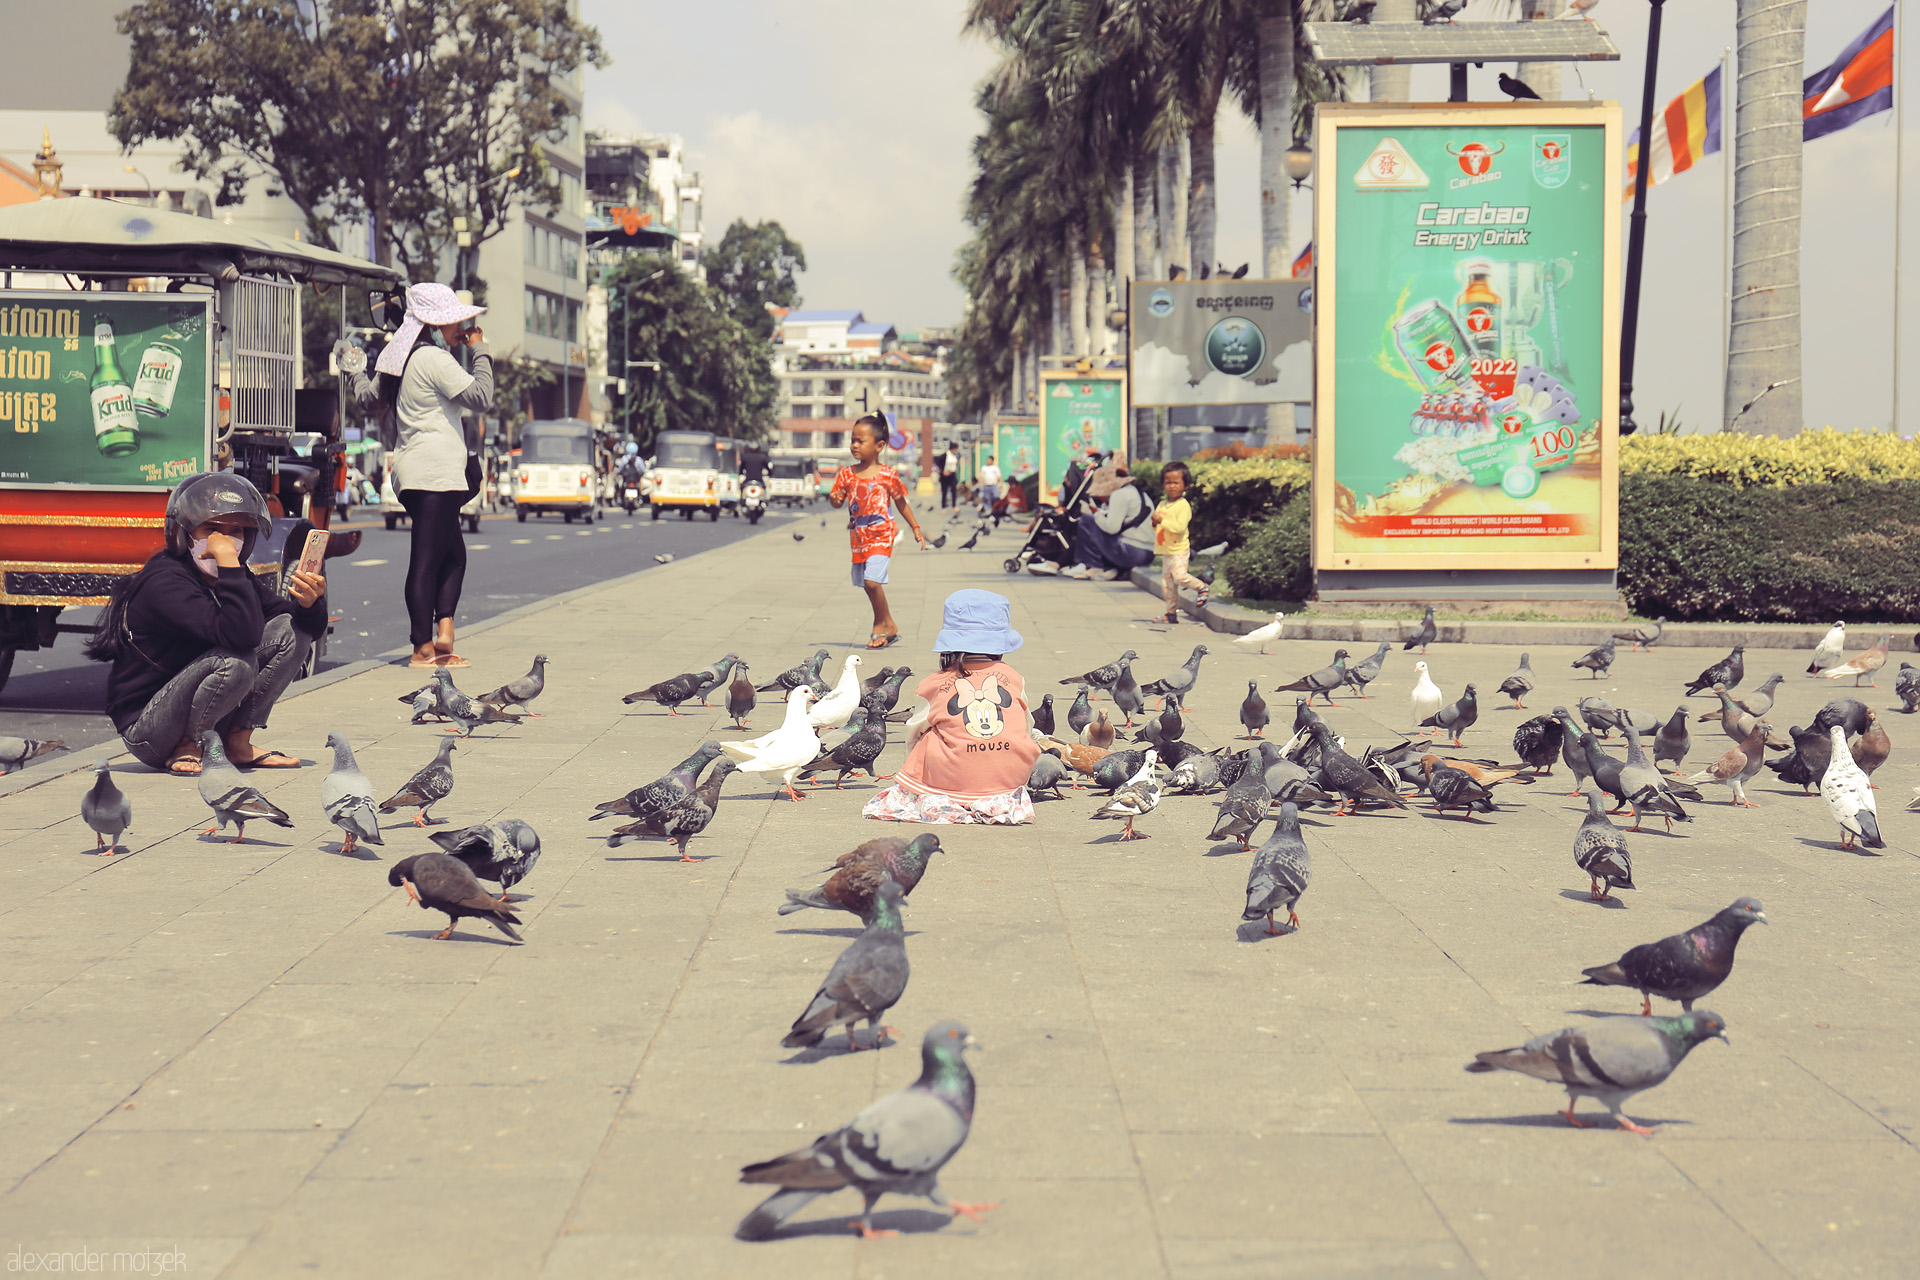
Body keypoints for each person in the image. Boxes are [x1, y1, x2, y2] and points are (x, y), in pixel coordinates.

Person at [87, 472, 326, 776]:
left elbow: (292, 624)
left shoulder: (233, 577)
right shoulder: (165, 583)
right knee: (235, 663)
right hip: (149, 730)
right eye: (212, 530)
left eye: (235, 531)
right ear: (184, 533)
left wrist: (309, 603)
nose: (224, 541)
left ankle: (238, 741)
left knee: (292, 630)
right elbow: (241, 637)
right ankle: (191, 743)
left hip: (203, 706)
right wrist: (228, 562)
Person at [346, 282, 491, 668]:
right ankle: (423, 648)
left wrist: (354, 372)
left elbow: (367, 399)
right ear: (434, 322)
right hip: (437, 472)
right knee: (430, 557)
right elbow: (481, 397)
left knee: (450, 552)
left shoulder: (398, 357)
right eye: (453, 320)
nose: (459, 325)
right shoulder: (434, 360)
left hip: (411, 473)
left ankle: (443, 635)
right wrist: (478, 348)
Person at [861, 589, 1040, 825]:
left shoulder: (933, 683)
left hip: (952, 775)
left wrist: (916, 768)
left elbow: (913, 733)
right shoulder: (1014, 677)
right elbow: (1026, 724)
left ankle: (939, 787)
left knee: (928, 734)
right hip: (1010, 778)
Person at [829, 413, 927, 649]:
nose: (854, 445)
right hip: (859, 537)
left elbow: (901, 502)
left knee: (872, 582)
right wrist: (834, 498)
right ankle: (890, 624)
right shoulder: (846, 474)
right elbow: (837, 500)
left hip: (882, 535)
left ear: (879, 446)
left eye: (860, 441)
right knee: (867, 584)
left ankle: (878, 625)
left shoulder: (888, 475)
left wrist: (915, 527)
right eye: (852, 440)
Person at [1154, 460, 1208, 621]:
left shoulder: (1183, 506)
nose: (1172, 486)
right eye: (1168, 482)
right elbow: (1159, 528)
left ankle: (1202, 587)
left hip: (1179, 549)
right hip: (1166, 550)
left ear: (1186, 485)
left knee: (1179, 577)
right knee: (1167, 585)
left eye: (1176, 482)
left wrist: (1161, 521)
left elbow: (1179, 527)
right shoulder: (1162, 504)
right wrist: (1154, 522)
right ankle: (1171, 613)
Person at [939, 443, 959, 508]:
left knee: (953, 490)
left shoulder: (956, 456)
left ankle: (954, 505)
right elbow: (938, 462)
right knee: (944, 491)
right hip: (945, 475)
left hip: (952, 474)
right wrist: (942, 471)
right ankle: (943, 506)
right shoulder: (945, 455)